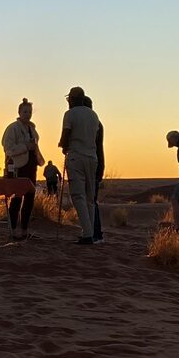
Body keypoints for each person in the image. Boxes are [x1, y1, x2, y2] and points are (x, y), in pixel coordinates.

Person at [58, 86, 100, 245]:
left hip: (76, 156)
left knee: (78, 195)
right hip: (92, 157)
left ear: (73, 99)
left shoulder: (70, 114)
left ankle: (87, 234)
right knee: (90, 197)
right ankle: (89, 232)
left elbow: (66, 135)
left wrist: (62, 145)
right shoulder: (94, 115)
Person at [1, 98, 43, 240]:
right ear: (19, 112)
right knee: (17, 198)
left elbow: (34, 146)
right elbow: (8, 149)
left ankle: (24, 230)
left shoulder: (32, 128)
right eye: (25, 111)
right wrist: (25, 147)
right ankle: (13, 230)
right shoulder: (13, 128)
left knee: (30, 197)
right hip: (18, 167)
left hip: (31, 166)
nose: (27, 114)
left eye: (29, 112)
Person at [84, 96, 106, 244]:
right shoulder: (96, 122)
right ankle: (92, 232)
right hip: (97, 163)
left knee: (91, 200)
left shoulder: (93, 124)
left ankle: (95, 233)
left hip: (93, 164)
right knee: (90, 199)